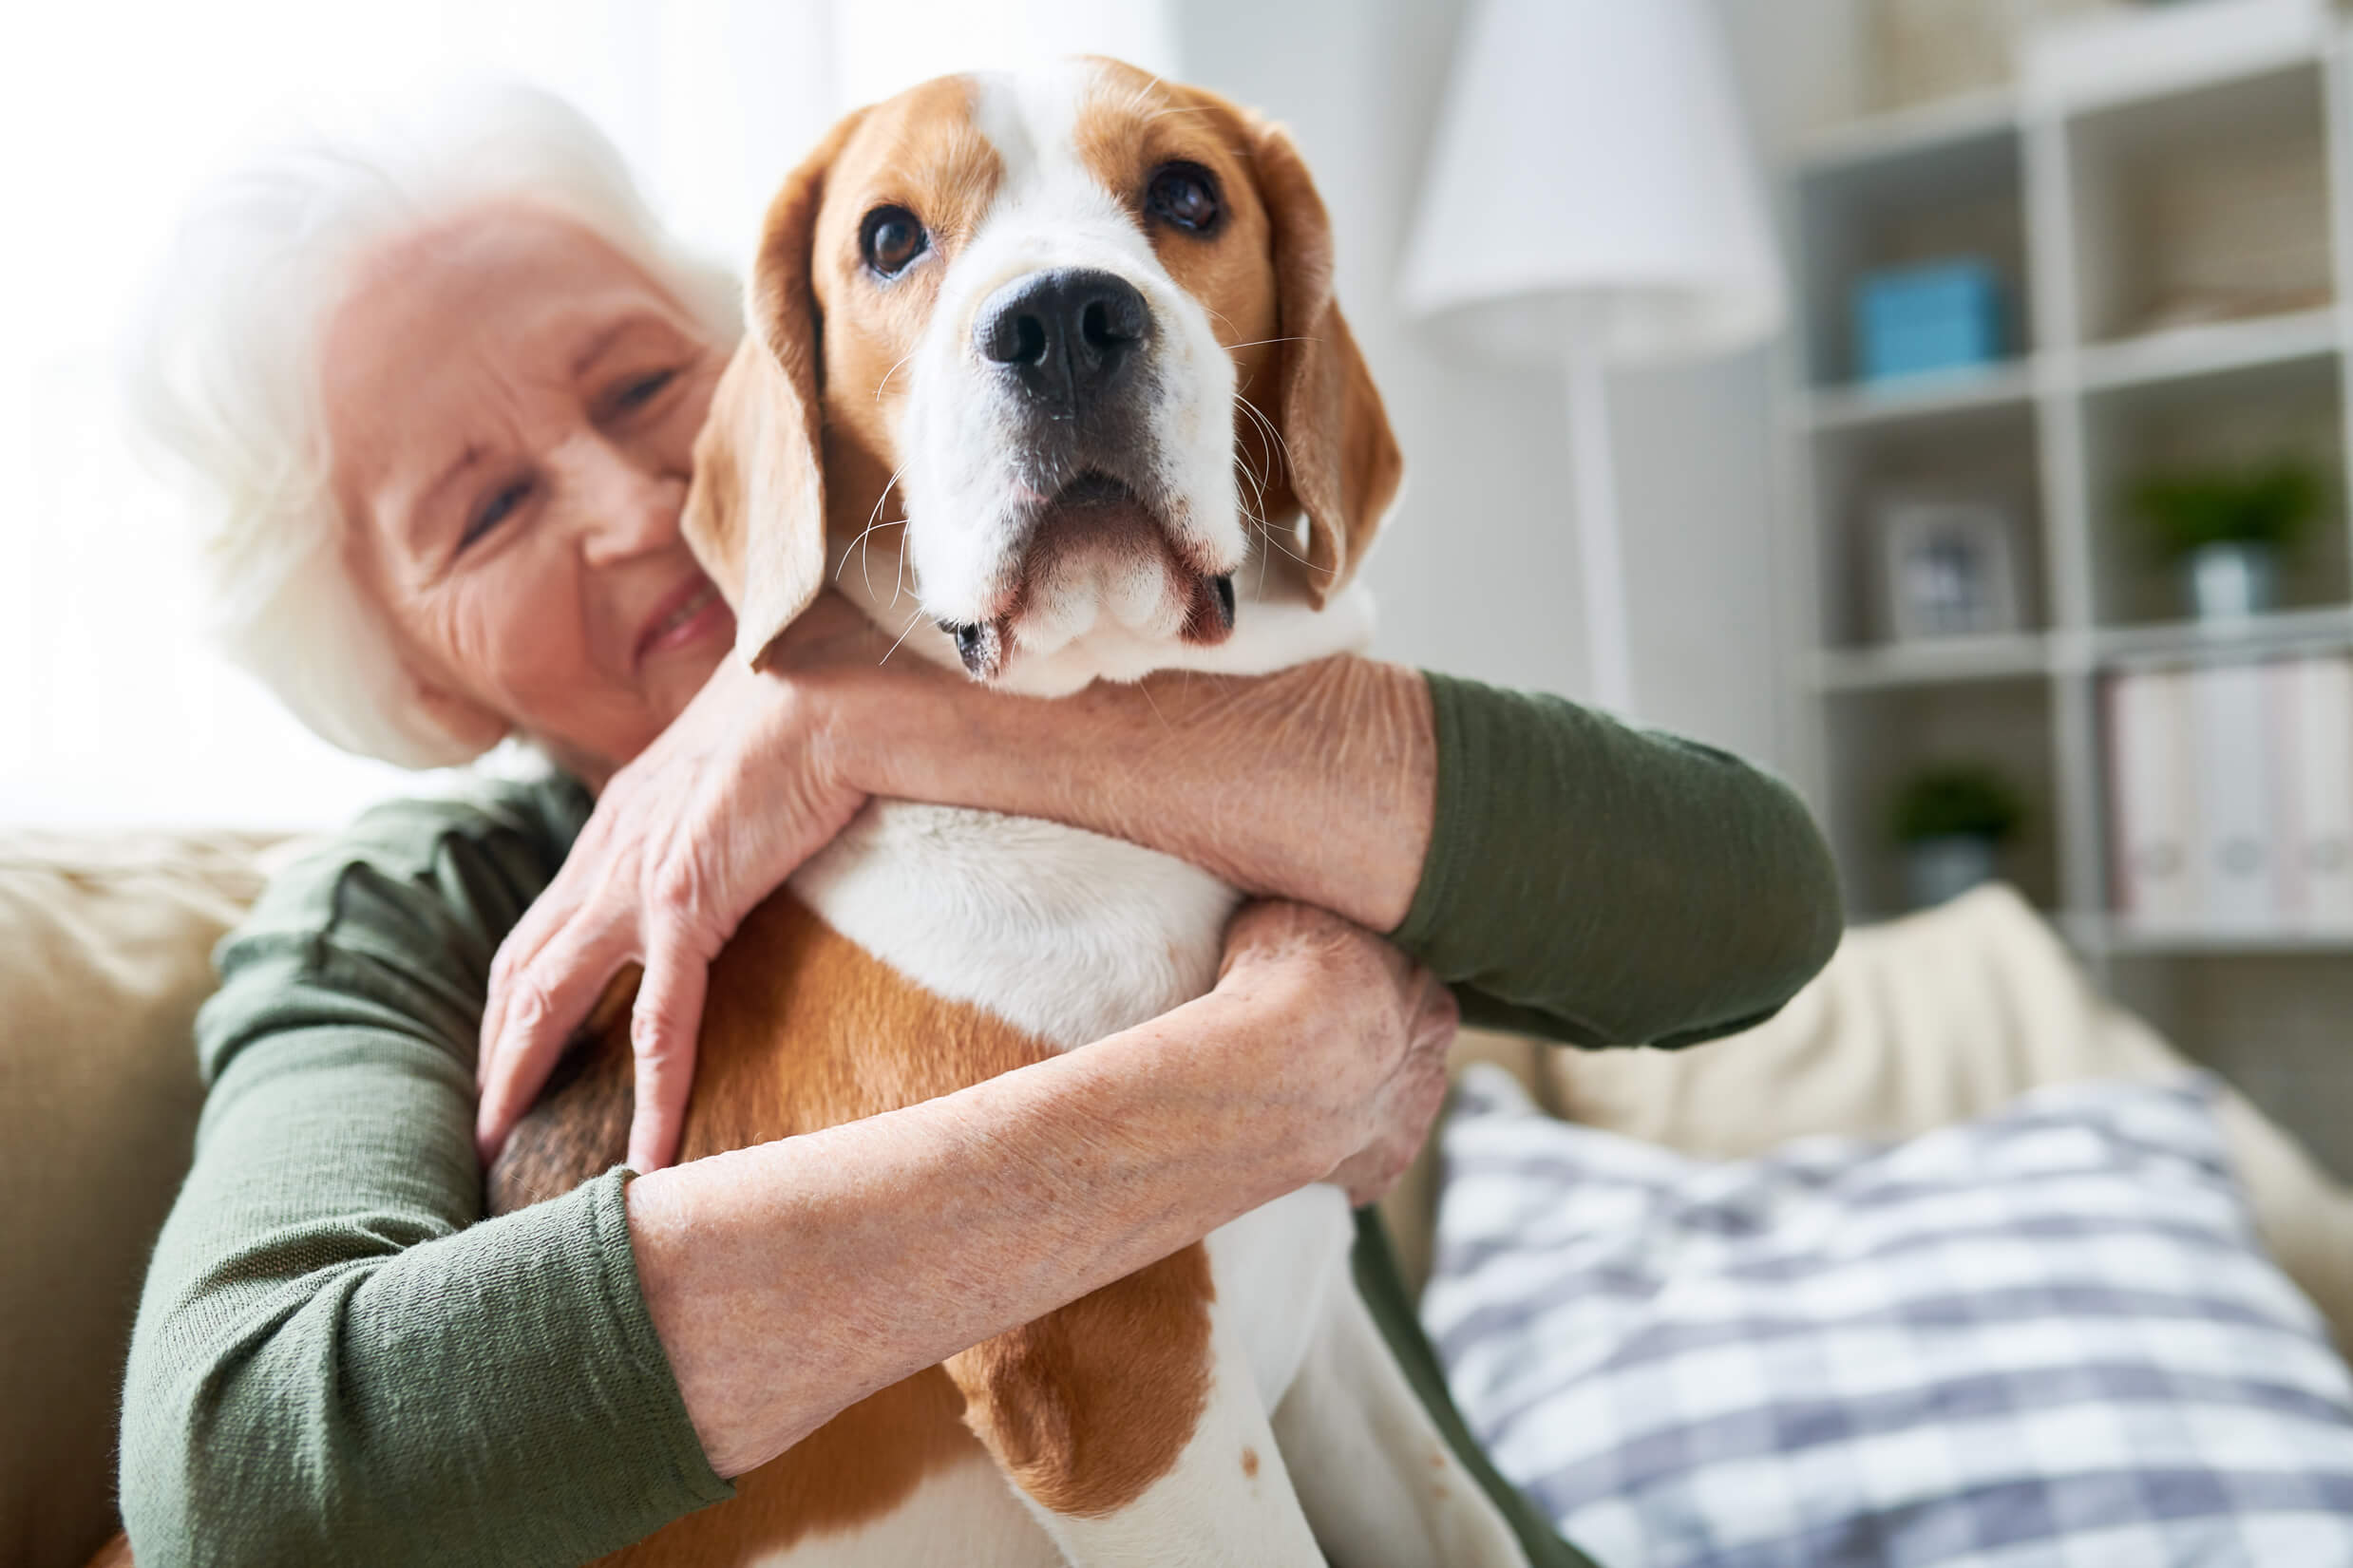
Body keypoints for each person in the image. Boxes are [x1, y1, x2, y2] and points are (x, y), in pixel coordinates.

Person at [116, 82, 1842, 1567]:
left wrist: (853, 712)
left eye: (648, 390)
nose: (633, 508)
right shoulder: (407, 917)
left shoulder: (1103, 652)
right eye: (486, 509)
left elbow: (1751, 911)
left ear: (780, 385)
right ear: (415, 677)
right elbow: (249, 1481)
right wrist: (1258, 1087)